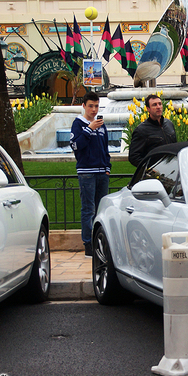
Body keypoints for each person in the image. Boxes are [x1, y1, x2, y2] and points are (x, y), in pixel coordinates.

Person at [69, 91, 111, 257]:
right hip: (87, 173)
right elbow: (75, 146)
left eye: (96, 106)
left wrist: (108, 168)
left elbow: (105, 147)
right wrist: (89, 129)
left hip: (102, 173)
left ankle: (100, 241)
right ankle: (88, 244)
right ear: (84, 106)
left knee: (101, 209)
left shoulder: (101, 125)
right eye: (91, 106)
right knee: (88, 209)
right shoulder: (78, 124)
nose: (94, 110)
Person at [128, 94, 177, 167]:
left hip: (173, 170)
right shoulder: (141, 130)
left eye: (160, 104)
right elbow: (134, 157)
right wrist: (149, 169)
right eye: (154, 105)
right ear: (148, 109)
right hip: (155, 173)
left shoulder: (169, 124)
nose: (158, 107)